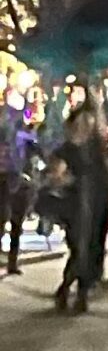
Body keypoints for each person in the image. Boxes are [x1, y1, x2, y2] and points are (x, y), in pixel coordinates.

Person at [47, 106, 108, 313]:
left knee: (88, 250)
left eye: (89, 122)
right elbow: (55, 175)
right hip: (74, 208)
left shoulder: (100, 151)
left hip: (97, 208)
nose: (85, 126)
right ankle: (68, 289)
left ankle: (78, 292)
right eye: (81, 122)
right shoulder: (65, 150)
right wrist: (62, 179)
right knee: (79, 250)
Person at [0, 94, 36, 276]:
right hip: (6, 179)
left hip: (18, 180)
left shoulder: (24, 135)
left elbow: (35, 151)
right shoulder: (18, 135)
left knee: (15, 223)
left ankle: (12, 262)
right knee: (5, 220)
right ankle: (10, 261)